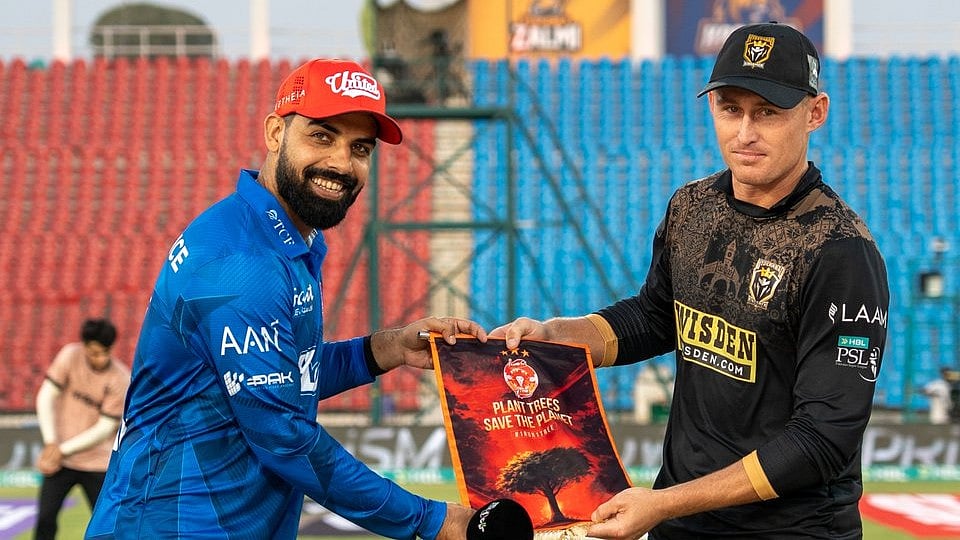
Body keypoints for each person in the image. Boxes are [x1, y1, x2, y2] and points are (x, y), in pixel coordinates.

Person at [493, 22, 889, 539]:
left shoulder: (840, 251)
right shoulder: (691, 206)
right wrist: (561, 337)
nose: (745, 133)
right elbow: (657, 317)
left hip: (793, 530)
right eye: (731, 109)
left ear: (815, 113)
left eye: (767, 112)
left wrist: (664, 503)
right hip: (682, 525)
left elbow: (821, 440)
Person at [85, 58, 487, 539]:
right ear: (276, 133)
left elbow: (282, 378)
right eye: (322, 136)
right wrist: (432, 520)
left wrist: (388, 348)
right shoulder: (242, 259)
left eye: (360, 147)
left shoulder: (285, 241)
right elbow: (282, 436)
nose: (341, 163)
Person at [34, 318, 130, 540]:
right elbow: (46, 396)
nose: (100, 358)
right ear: (85, 346)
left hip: (97, 463)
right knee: (45, 520)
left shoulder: (120, 378)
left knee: (107, 525)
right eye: (94, 352)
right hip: (61, 462)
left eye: (105, 352)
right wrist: (51, 443)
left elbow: (104, 428)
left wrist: (61, 449)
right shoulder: (69, 356)